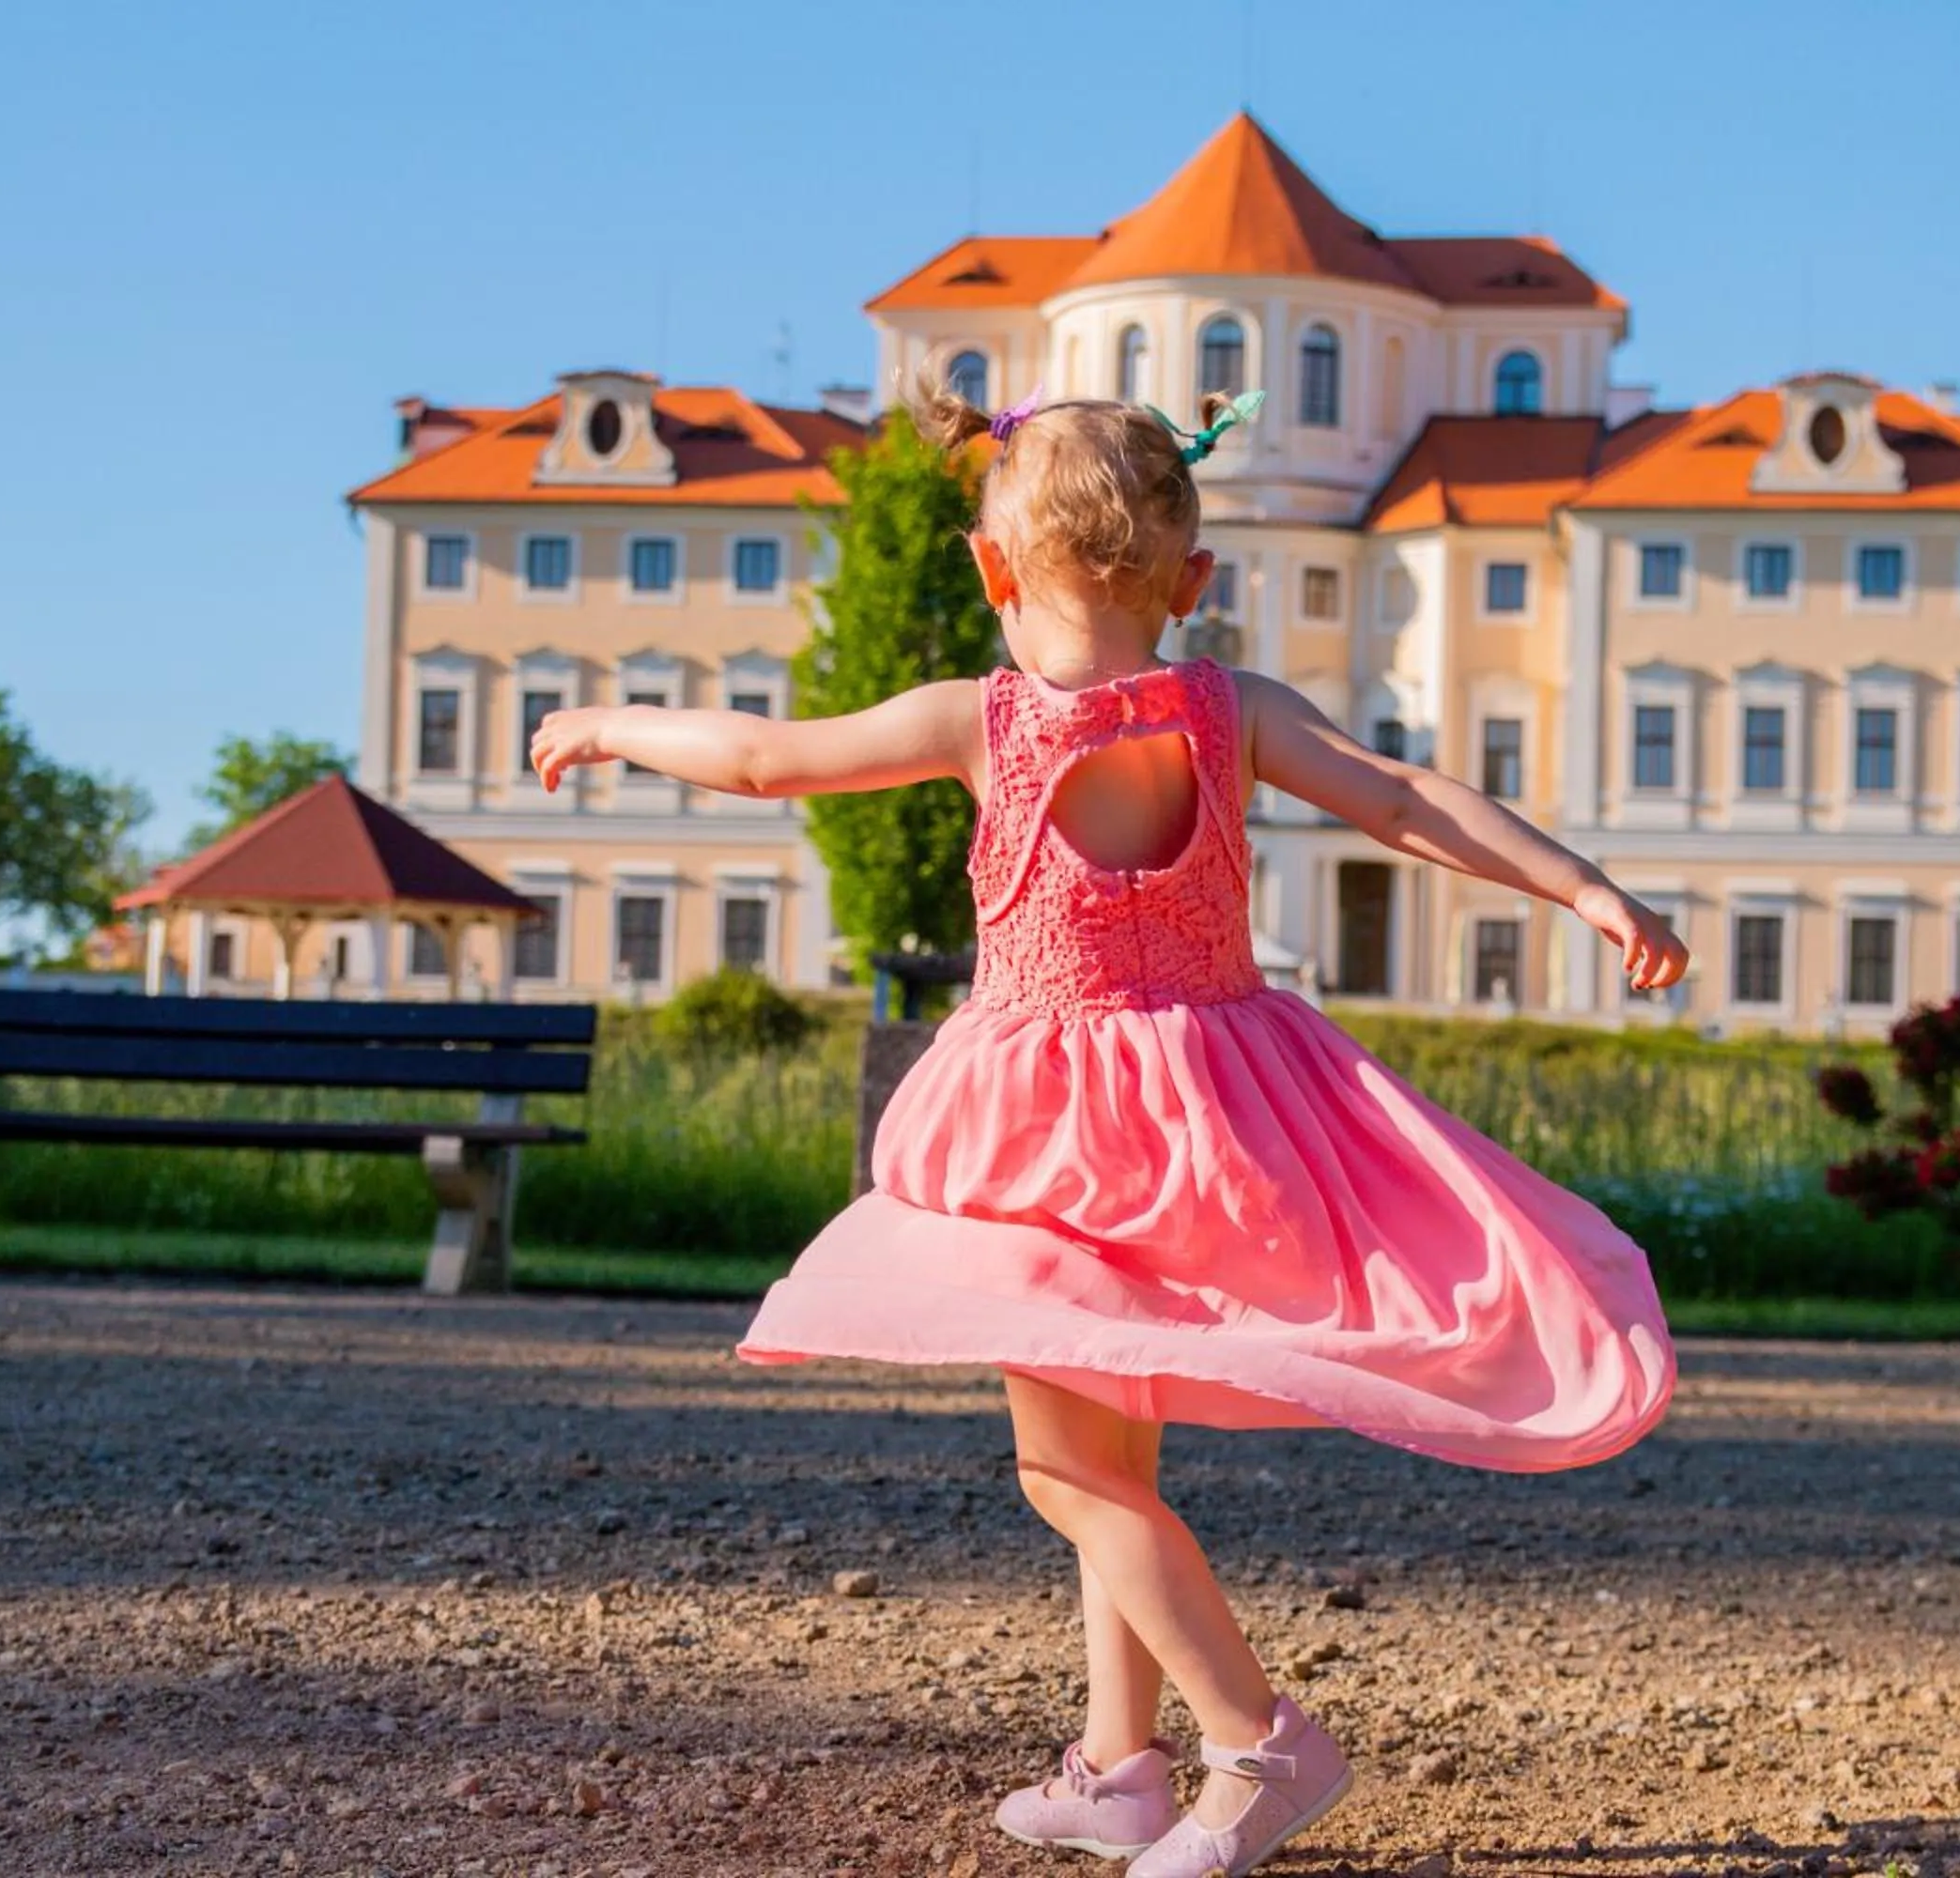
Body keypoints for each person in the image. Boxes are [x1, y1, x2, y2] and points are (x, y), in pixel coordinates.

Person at [527, 378, 1686, 1877]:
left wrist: (614, 720)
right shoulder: (1236, 711)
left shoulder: (977, 720)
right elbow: (1407, 800)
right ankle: (1118, 1768)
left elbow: (763, 755)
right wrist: (1588, 886)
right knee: (1113, 1465)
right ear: (1191, 582)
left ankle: (1260, 1744)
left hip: (1048, 1144)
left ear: (991, 567)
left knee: (1066, 1475)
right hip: (1213, 1130)